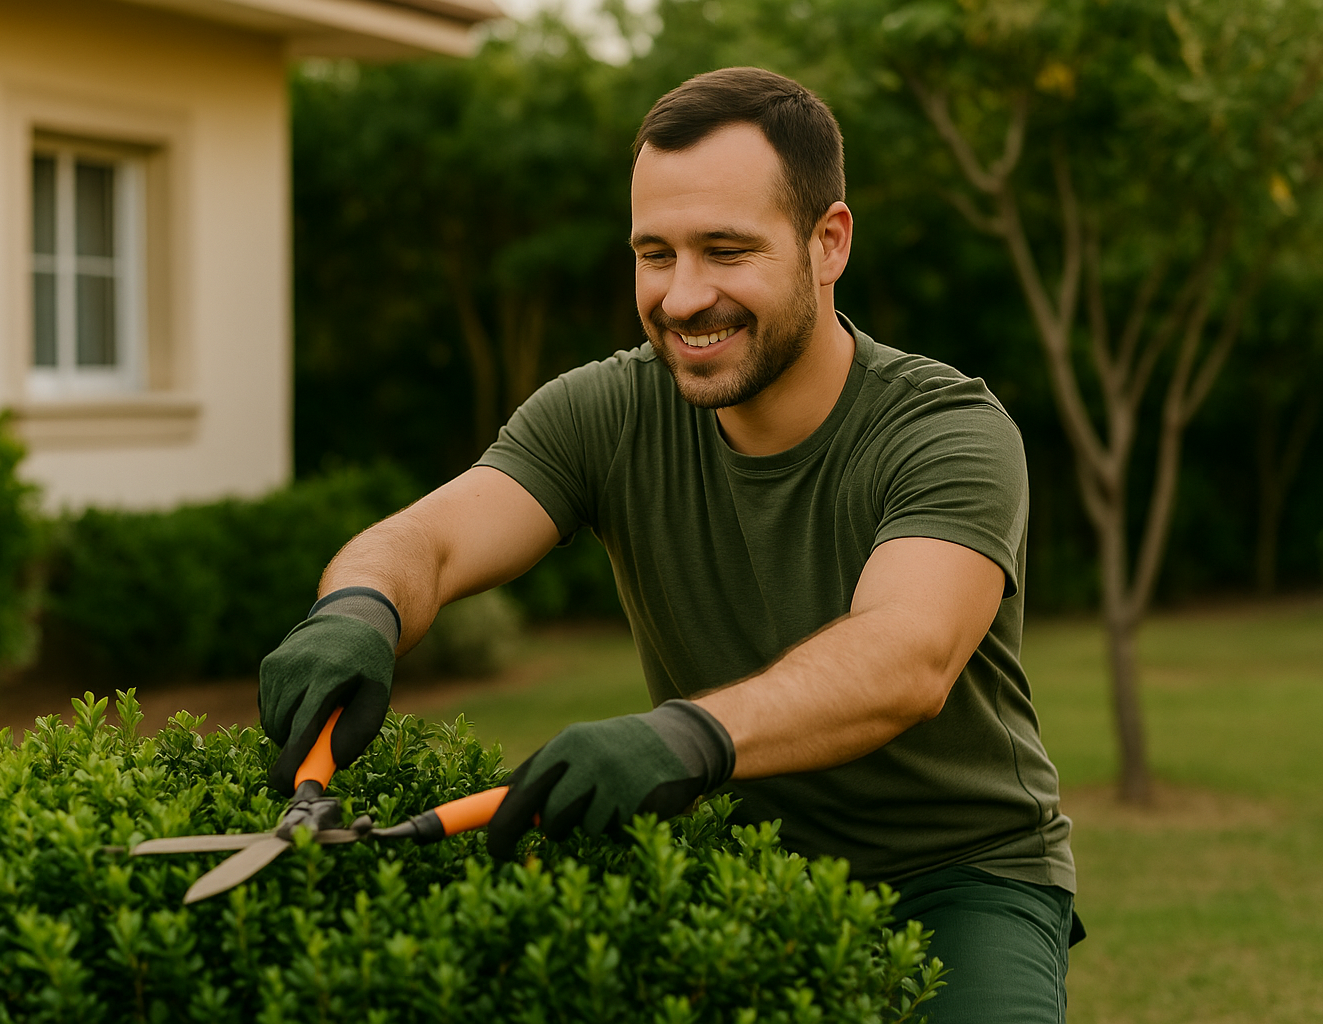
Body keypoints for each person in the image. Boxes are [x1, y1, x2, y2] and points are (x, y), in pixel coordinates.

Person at [259, 66, 1081, 1023]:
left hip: (960, 883)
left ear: (828, 243)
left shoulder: (945, 431)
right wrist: (358, 606)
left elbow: (908, 655)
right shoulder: (609, 408)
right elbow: (431, 540)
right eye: (656, 254)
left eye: (726, 251)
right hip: (728, 867)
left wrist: (683, 735)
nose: (683, 298)